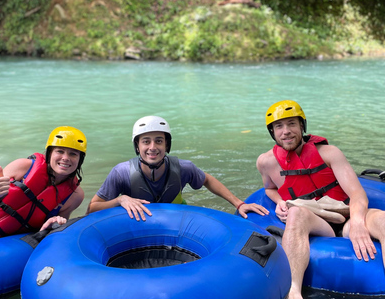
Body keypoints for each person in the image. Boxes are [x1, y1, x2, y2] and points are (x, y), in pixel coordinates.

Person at [256, 100, 385, 299]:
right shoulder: (266, 162)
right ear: (272, 132)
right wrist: (280, 201)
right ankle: (293, 292)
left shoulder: (329, 153)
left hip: (347, 216)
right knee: (296, 213)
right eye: (279, 126)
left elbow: (358, 194)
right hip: (317, 222)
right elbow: (269, 189)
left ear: (302, 126)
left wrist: (358, 222)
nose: (286, 131)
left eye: (292, 124)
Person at [87, 115, 268, 221]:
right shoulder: (121, 173)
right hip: (136, 225)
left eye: (159, 141)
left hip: (176, 220)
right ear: (137, 146)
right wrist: (120, 200)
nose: (152, 147)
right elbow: (92, 208)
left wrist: (239, 203)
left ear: (167, 145)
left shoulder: (183, 168)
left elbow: (207, 180)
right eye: (146, 141)